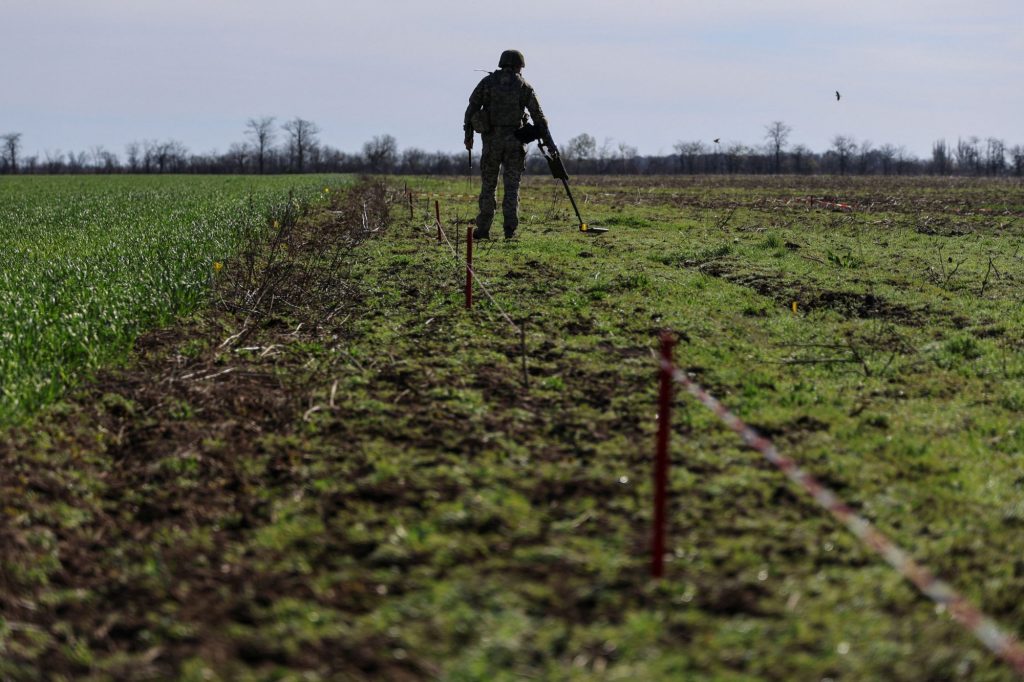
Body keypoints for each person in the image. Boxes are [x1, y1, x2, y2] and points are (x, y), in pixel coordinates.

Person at [464, 49, 557, 240]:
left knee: (488, 186)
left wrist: (468, 135)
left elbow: (472, 108)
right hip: (515, 142)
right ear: (517, 66)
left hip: (491, 142)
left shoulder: (487, 83)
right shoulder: (524, 86)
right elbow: (539, 117)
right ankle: (510, 231)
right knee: (512, 187)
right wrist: (549, 143)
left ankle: (483, 230)